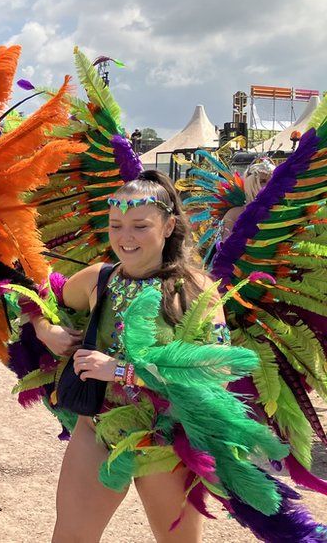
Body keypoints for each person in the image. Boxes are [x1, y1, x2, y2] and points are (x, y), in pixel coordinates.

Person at [23, 170, 323, 542]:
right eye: (116, 225)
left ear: (168, 227)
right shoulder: (100, 278)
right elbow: (43, 299)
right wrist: (45, 329)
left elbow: (219, 372)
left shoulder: (195, 290)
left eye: (139, 226)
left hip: (167, 443)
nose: (124, 237)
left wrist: (121, 370)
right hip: (97, 429)